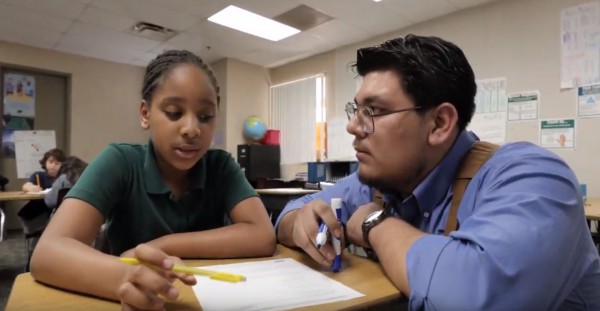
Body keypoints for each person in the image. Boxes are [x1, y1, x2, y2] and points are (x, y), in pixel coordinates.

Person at [276, 34, 600, 310]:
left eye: (373, 111)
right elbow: (290, 214)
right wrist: (300, 225)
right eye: (355, 110)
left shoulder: (532, 177)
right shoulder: (380, 182)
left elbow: (474, 296)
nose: (351, 126)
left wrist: (374, 222)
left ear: (440, 124)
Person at [30, 50, 276, 311]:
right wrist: (126, 278)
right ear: (145, 114)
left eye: (205, 117)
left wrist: (160, 245)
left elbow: (262, 234)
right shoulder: (120, 161)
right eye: (173, 112)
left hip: (204, 299)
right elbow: (48, 253)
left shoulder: (221, 166)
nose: (192, 128)